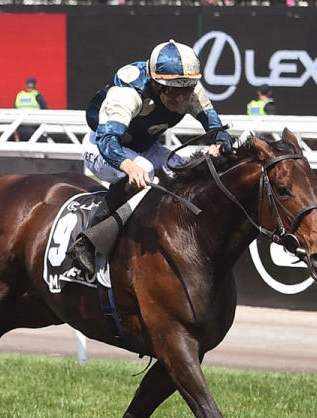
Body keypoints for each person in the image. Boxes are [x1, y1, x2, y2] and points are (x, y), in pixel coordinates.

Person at [68, 39, 232, 276]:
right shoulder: (129, 92)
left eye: (185, 91)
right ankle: (86, 241)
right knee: (143, 168)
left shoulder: (190, 89)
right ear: (155, 84)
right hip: (101, 147)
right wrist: (128, 166)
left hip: (145, 146)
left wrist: (219, 144)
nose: (179, 98)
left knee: (183, 167)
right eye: (171, 91)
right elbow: (107, 140)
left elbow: (219, 130)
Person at [14, 77, 48, 142]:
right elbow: (45, 110)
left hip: (21, 127)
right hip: (34, 128)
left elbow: (14, 110)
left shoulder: (20, 95)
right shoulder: (36, 95)